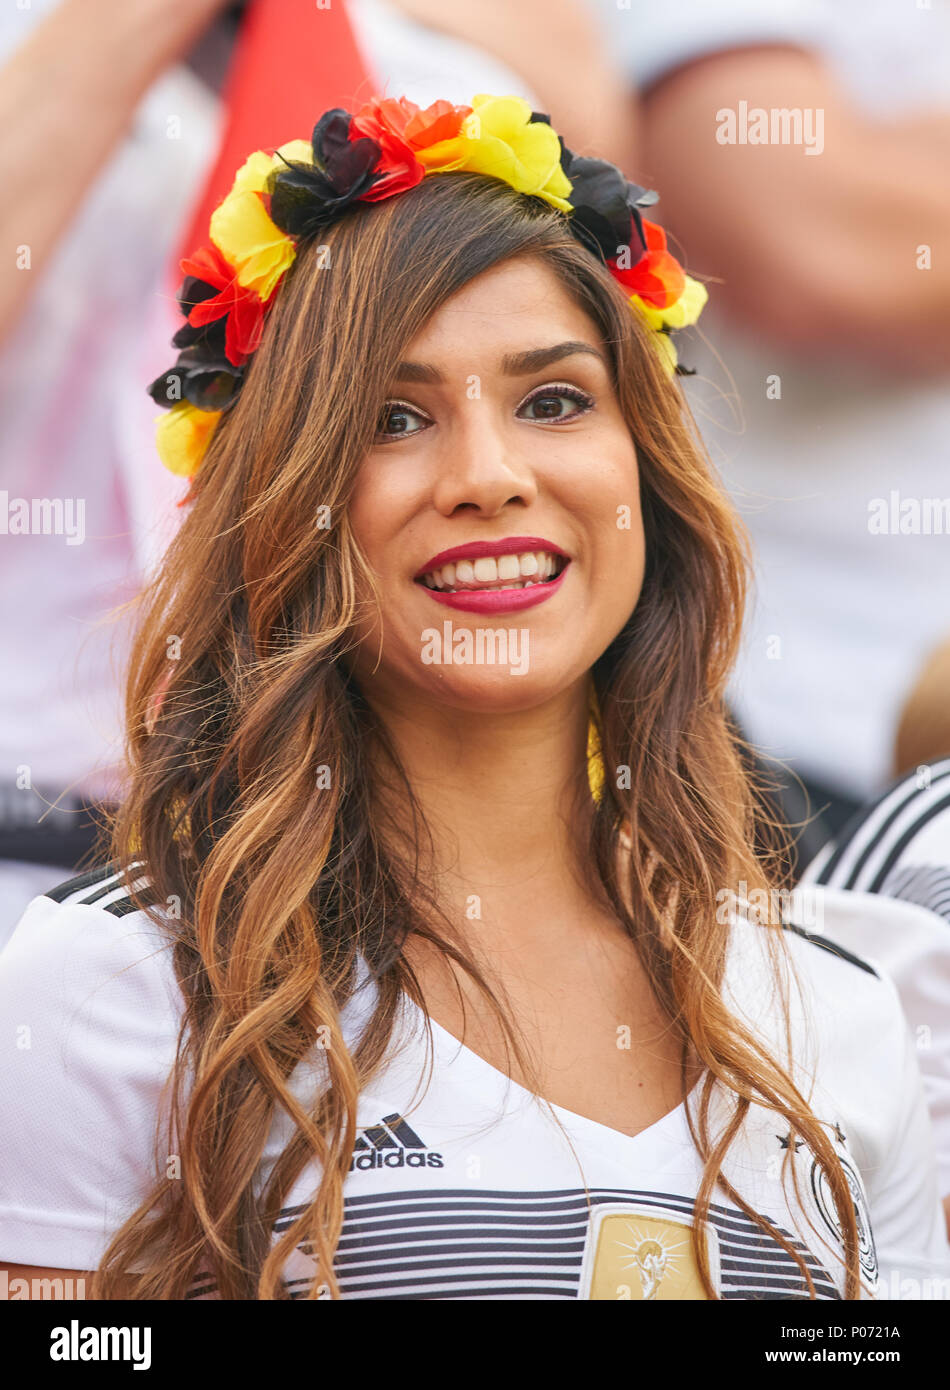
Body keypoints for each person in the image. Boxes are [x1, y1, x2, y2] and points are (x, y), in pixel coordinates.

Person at [0, 93, 946, 1301]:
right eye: (393, 418)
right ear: (283, 505)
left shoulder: (836, 1006)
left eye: (553, 399)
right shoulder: (112, 985)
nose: (489, 476)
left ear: (644, 474)